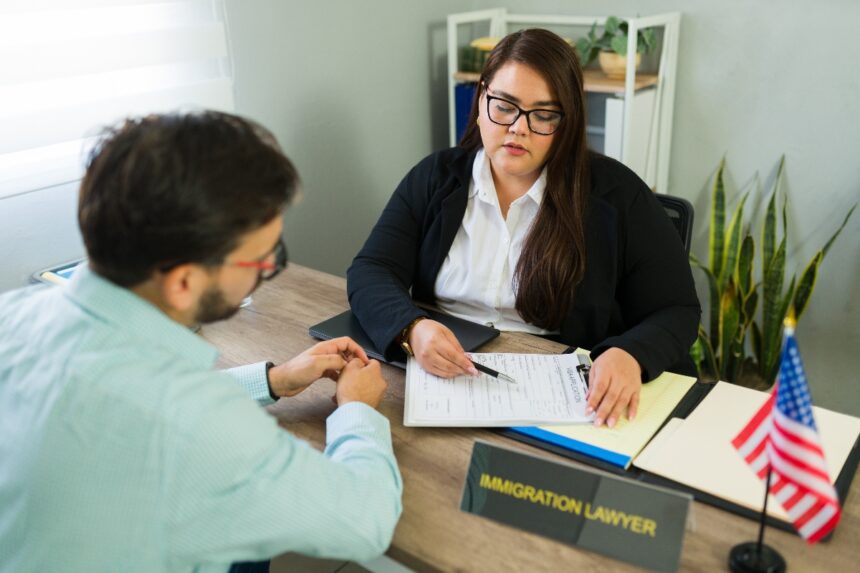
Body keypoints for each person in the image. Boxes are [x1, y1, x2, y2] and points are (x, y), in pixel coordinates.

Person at [0, 112, 402, 573]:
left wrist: (273, 379)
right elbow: (365, 522)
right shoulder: (200, 429)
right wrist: (356, 410)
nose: (269, 269)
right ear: (185, 282)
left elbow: (133, 404)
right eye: (261, 261)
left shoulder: (12, 319)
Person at [347, 28, 700, 430]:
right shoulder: (435, 177)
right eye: (505, 106)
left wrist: (629, 353)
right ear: (481, 99)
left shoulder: (618, 196)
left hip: (565, 397)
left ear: (566, 122)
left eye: (543, 115)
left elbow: (676, 309)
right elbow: (372, 268)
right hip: (444, 380)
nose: (519, 128)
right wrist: (413, 328)